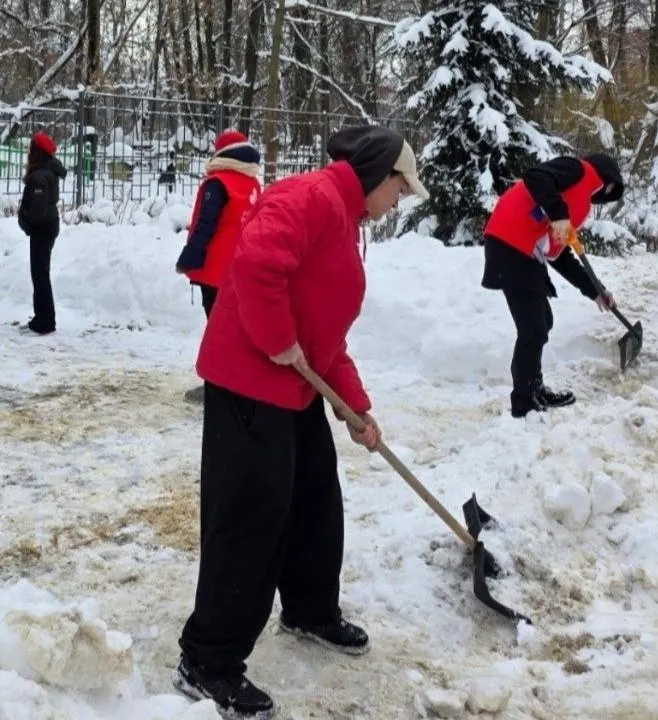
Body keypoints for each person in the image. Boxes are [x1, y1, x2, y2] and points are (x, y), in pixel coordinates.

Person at [173, 126, 429, 718]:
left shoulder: (343, 219)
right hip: (249, 379)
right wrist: (278, 338)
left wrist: (355, 409)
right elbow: (256, 264)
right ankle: (207, 659)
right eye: (399, 188)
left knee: (315, 499)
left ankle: (311, 608)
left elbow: (327, 342)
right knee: (251, 515)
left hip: (294, 382)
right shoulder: (310, 197)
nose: (398, 202)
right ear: (378, 174)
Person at [481, 153, 623, 418]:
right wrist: (558, 214)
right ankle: (523, 401)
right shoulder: (577, 170)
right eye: (611, 188)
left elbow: (560, 257)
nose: (607, 194)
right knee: (533, 327)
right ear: (606, 176)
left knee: (541, 322)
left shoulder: (574, 200)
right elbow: (536, 176)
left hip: (520, 249)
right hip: (510, 244)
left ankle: (533, 388)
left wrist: (595, 290)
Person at [174, 129, 262, 403]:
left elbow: (205, 225)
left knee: (217, 330)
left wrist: (188, 258)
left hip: (215, 271)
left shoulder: (218, 183)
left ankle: (218, 387)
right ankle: (238, 383)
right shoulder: (253, 184)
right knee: (235, 329)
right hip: (242, 269)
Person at [16, 131, 67, 335]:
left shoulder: (39, 176)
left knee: (40, 274)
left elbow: (37, 208)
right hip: (48, 225)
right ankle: (43, 317)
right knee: (40, 273)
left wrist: (25, 221)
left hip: (42, 228)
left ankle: (45, 320)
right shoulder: (48, 172)